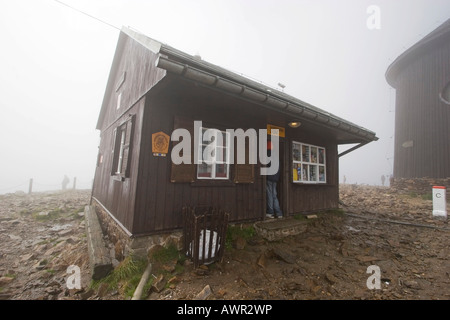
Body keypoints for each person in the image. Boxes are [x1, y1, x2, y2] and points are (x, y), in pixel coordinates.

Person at [266, 140, 283, 219]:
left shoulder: (268, 154)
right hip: (275, 178)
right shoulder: (276, 155)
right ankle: (279, 213)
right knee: (274, 195)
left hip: (269, 177)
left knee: (269, 195)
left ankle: (270, 212)